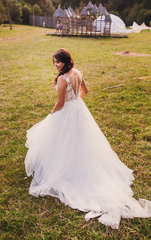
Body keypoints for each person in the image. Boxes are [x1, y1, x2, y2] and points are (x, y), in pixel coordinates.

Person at [25, 48, 151, 229]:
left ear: (65, 61)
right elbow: (85, 90)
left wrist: (52, 115)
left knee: (64, 141)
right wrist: (76, 102)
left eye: (58, 62)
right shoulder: (77, 72)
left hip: (67, 111)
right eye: (54, 62)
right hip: (78, 110)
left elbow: (60, 103)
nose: (55, 65)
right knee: (80, 141)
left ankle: (67, 168)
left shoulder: (62, 78)